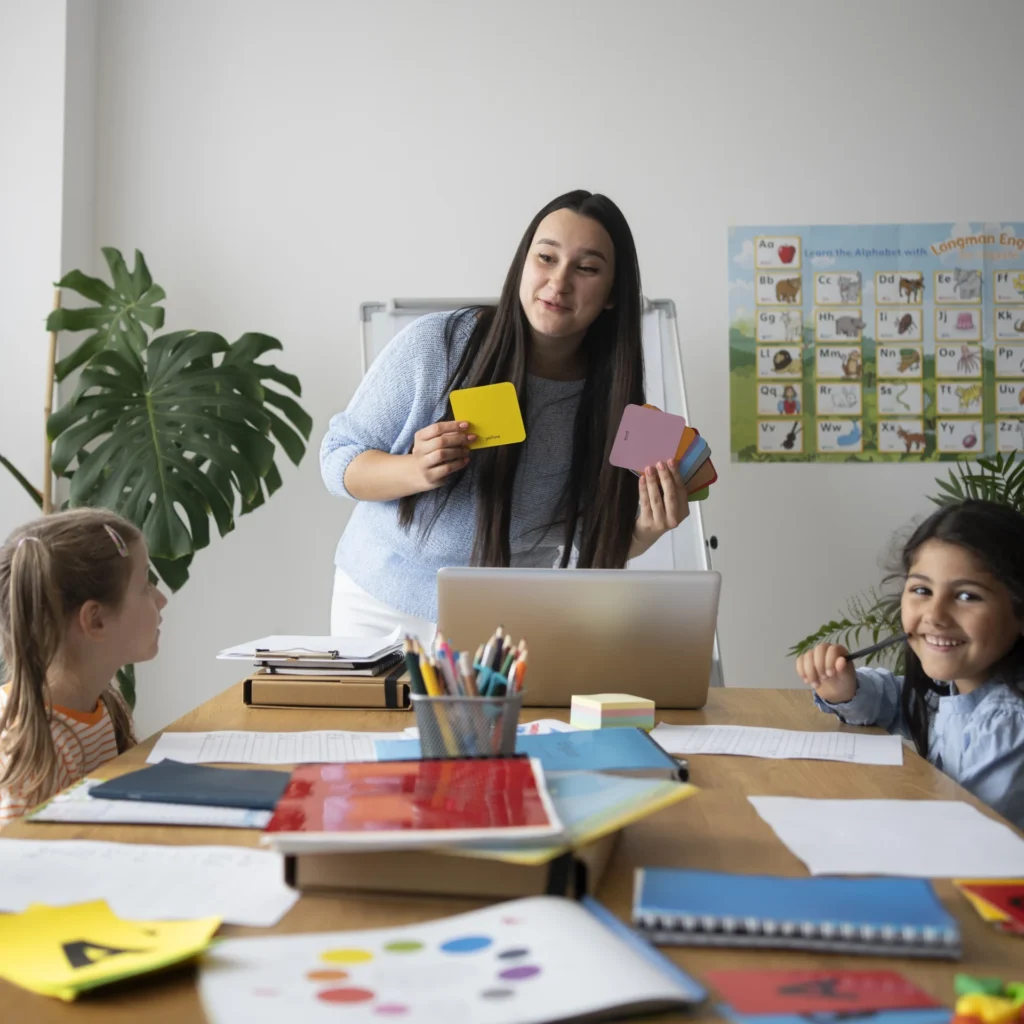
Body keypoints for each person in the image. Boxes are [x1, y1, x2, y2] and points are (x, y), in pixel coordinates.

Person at [320, 190, 690, 637]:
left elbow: (587, 549)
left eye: (587, 268)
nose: (559, 282)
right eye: (546, 258)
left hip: (504, 616)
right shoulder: (439, 344)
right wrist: (415, 470)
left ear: (613, 294)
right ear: (522, 265)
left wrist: (646, 531)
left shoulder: (615, 404)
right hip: (378, 602)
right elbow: (337, 459)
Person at [796, 499, 1024, 829]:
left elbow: (964, 833)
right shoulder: (962, 686)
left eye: (966, 596)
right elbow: (902, 701)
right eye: (921, 590)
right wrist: (847, 688)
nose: (934, 615)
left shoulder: (1008, 723)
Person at [0, 508, 167, 823]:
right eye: (145, 584)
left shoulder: (102, 706)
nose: (161, 599)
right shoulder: (25, 752)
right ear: (96, 619)